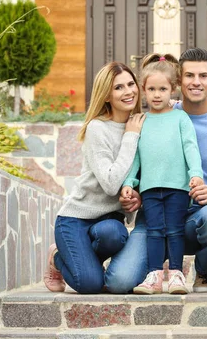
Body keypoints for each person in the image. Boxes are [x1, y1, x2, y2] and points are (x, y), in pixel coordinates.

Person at [104, 48, 207, 294]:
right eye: (189, 75)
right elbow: (144, 157)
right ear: (179, 82)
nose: (196, 82)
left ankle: (203, 266)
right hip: (154, 213)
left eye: (203, 76)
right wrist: (136, 189)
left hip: (197, 217)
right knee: (119, 282)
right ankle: (153, 271)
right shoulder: (159, 113)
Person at [43, 62, 146, 294]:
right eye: (118, 87)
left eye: (131, 84)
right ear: (107, 95)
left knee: (115, 235)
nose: (128, 91)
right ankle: (58, 258)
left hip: (109, 222)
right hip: (76, 219)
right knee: (90, 285)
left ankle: (82, 260)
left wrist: (137, 198)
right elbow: (110, 184)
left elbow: (139, 176)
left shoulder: (142, 125)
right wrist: (130, 137)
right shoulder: (97, 128)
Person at [121, 53, 204, 295]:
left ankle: (177, 274)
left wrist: (196, 174)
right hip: (149, 189)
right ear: (143, 90)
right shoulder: (140, 120)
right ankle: (154, 275)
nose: (157, 95)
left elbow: (191, 147)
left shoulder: (180, 118)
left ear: (173, 90)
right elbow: (135, 156)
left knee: (176, 230)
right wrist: (129, 182)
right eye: (152, 89)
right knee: (154, 231)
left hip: (178, 187)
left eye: (163, 89)